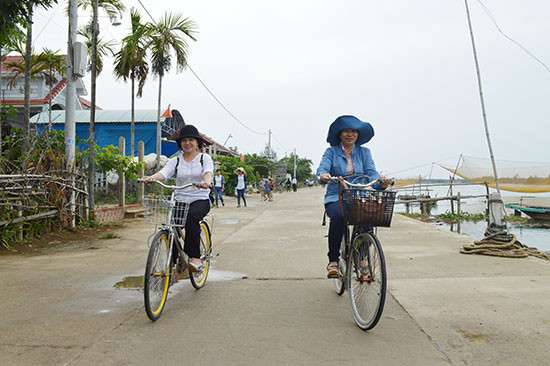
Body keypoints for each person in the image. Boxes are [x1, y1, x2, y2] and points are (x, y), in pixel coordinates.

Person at [317, 115, 393, 278]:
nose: (350, 134)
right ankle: (333, 261)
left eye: (353, 131)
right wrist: (324, 175)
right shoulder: (331, 152)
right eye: (346, 131)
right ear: (340, 134)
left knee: (368, 220)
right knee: (337, 217)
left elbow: (372, 174)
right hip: (336, 195)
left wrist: (381, 183)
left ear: (358, 135)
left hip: (359, 195)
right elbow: (323, 168)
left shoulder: (365, 152)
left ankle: (363, 259)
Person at [143, 125, 213, 272]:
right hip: (181, 199)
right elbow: (164, 173)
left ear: (197, 143)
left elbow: (208, 173)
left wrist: (207, 182)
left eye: (191, 140)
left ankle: (195, 257)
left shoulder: (204, 158)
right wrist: (151, 177)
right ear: (180, 143)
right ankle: (174, 259)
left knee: (191, 217)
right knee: (171, 225)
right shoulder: (176, 161)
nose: (187, 143)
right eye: (184, 140)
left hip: (200, 198)